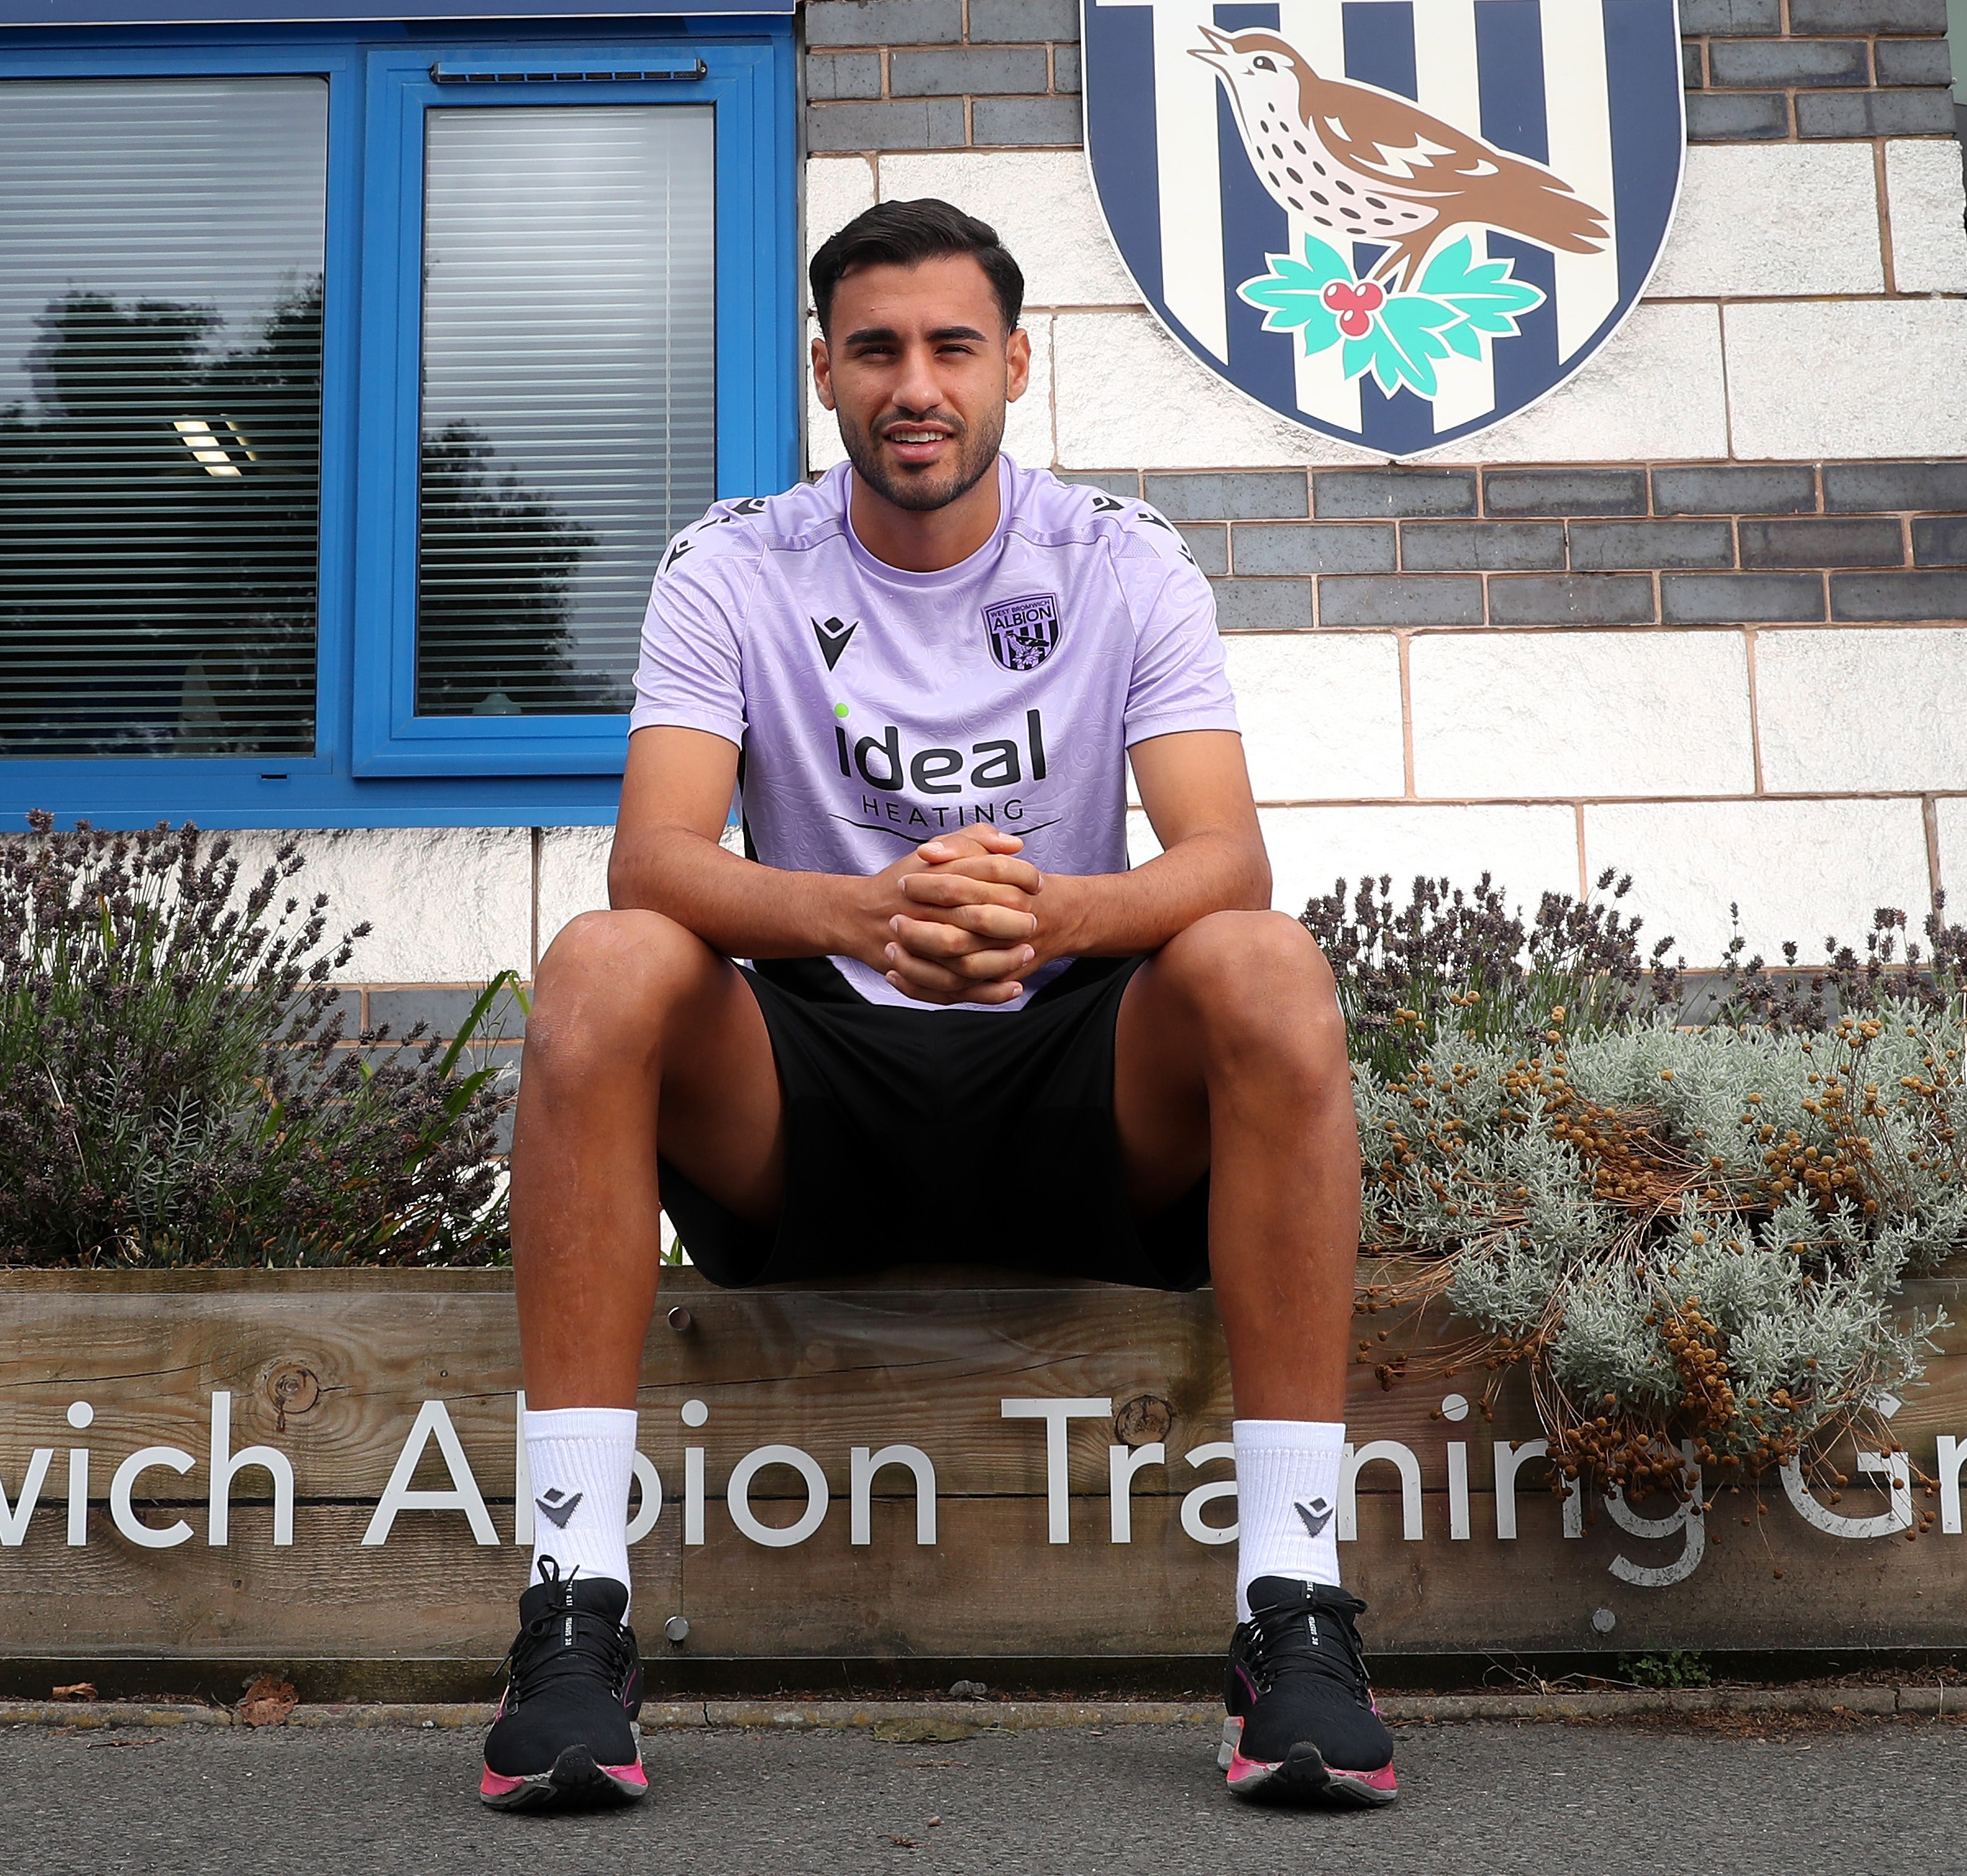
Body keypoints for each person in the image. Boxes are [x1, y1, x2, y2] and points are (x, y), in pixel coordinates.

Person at [477, 199, 1393, 1814]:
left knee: (1265, 964)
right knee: (599, 965)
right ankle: (570, 1619)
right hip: (815, 1076)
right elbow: (654, 857)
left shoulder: (1121, 558)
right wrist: (867, 913)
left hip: (1071, 1078)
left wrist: (1053, 916)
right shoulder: (728, 565)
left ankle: (1292, 1616)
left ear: (1013, 367)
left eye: (951, 347)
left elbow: (1224, 856)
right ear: (822, 370)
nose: (917, 382)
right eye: (878, 349)